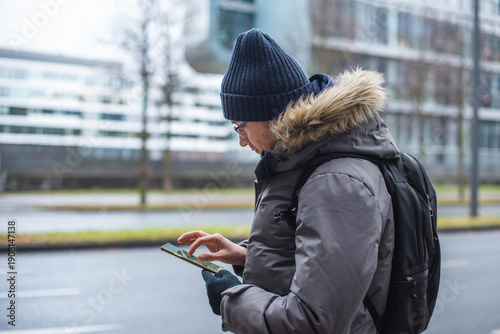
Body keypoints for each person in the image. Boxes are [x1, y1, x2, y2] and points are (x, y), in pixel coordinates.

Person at [178, 28, 397, 334]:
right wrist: (246, 256)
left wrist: (232, 300)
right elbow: (312, 266)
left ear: (271, 115)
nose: (242, 141)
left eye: (241, 127)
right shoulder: (304, 163)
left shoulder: (335, 182)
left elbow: (314, 322)